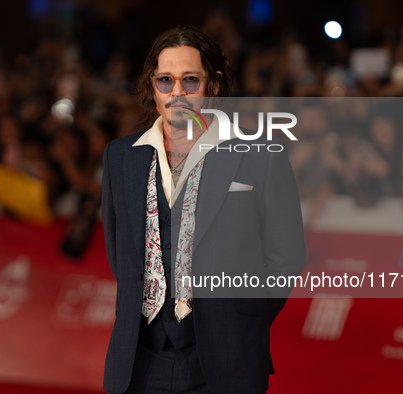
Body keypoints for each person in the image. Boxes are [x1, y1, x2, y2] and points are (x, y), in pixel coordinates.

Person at [101, 26, 306, 394]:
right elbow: (120, 253)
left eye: (189, 80)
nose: (176, 91)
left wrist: (245, 321)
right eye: (165, 80)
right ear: (152, 86)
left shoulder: (260, 155)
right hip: (139, 361)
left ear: (213, 85)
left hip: (228, 362)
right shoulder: (120, 157)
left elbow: (286, 256)